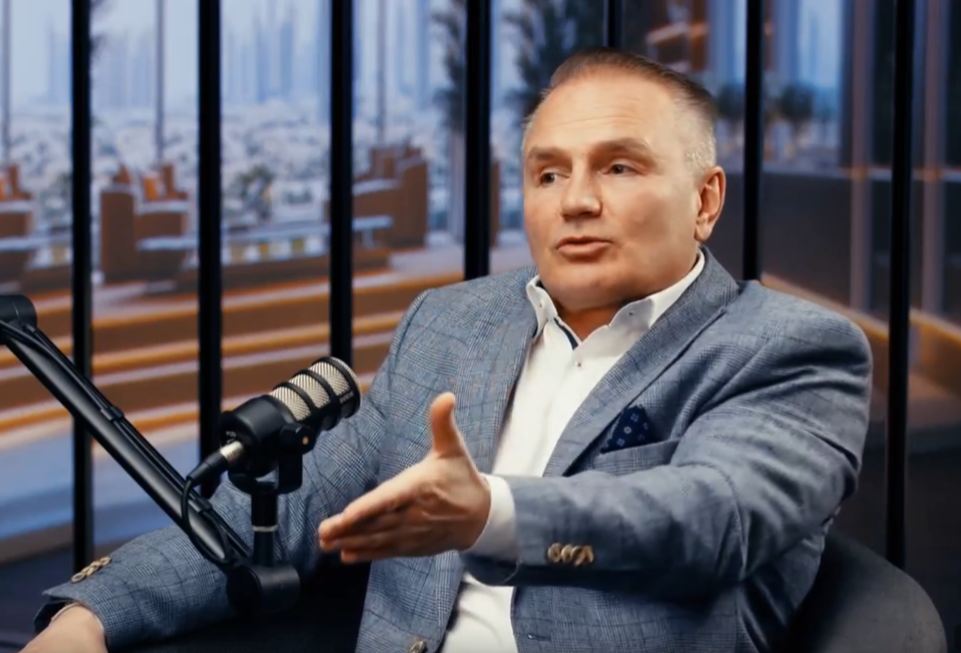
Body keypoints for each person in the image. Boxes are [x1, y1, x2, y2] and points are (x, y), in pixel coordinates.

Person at [20, 48, 873, 653]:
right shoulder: (453, 322)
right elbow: (294, 507)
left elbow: (711, 517)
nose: (575, 200)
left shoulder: (789, 347)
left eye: (618, 168)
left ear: (704, 200)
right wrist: (90, 615)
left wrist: (490, 514)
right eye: (548, 172)